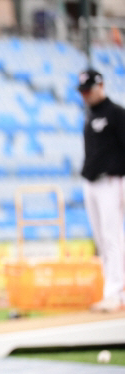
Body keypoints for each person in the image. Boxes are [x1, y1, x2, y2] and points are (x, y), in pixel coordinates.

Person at [78, 68, 125, 312]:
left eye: (89, 90)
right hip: (92, 182)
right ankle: (113, 290)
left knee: (112, 236)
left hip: (111, 181)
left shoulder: (116, 113)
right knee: (101, 238)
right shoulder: (90, 114)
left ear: (101, 86)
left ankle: (115, 293)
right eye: (82, 91)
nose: (85, 95)